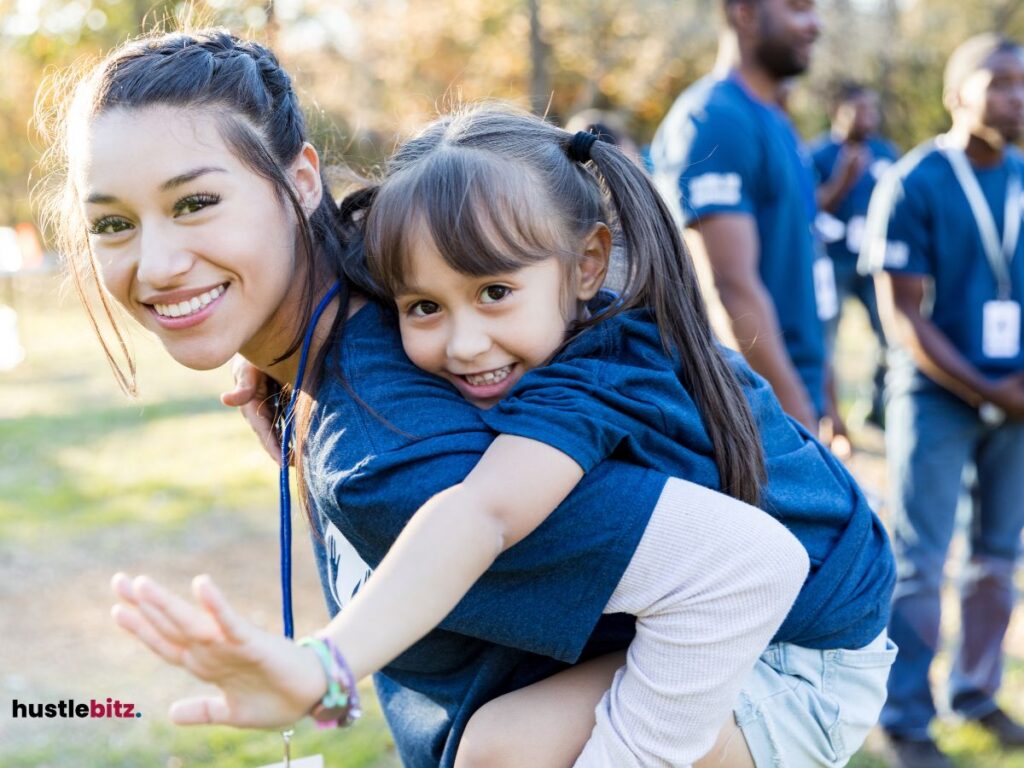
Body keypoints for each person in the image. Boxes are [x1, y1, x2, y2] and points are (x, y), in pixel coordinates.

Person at [35, 28, 819, 768]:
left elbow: (743, 567)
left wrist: (324, 670)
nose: (160, 262)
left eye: (195, 202)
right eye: (112, 222)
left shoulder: (392, 446)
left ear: (302, 179)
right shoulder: (389, 301)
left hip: (783, 648)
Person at [862, 33, 1024, 768]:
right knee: (922, 561)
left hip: (1018, 399)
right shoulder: (914, 180)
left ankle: (976, 692)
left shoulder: (1022, 176)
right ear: (958, 93)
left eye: (1023, 86)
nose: (1016, 99)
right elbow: (902, 314)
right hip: (937, 395)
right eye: (999, 84)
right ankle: (905, 718)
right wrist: (987, 386)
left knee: (997, 558)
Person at [651, 0, 835, 437]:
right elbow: (729, 288)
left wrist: (823, 394)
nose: (816, 24)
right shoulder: (716, 119)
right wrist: (798, 425)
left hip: (794, 394)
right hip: (756, 413)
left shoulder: (774, 118)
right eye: (798, 9)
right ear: (746, 14)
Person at [810, 82, 898, 431]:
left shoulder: (886, 153)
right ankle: (827, 412)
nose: (867, 117)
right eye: (858, 110)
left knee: (890, 333)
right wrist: (843, 180)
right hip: (833, 261)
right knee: (827, 336)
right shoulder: (818, 154)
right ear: (838, 112)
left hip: (876, 262)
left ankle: (877, 407)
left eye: (872, 110)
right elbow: (812, 208)